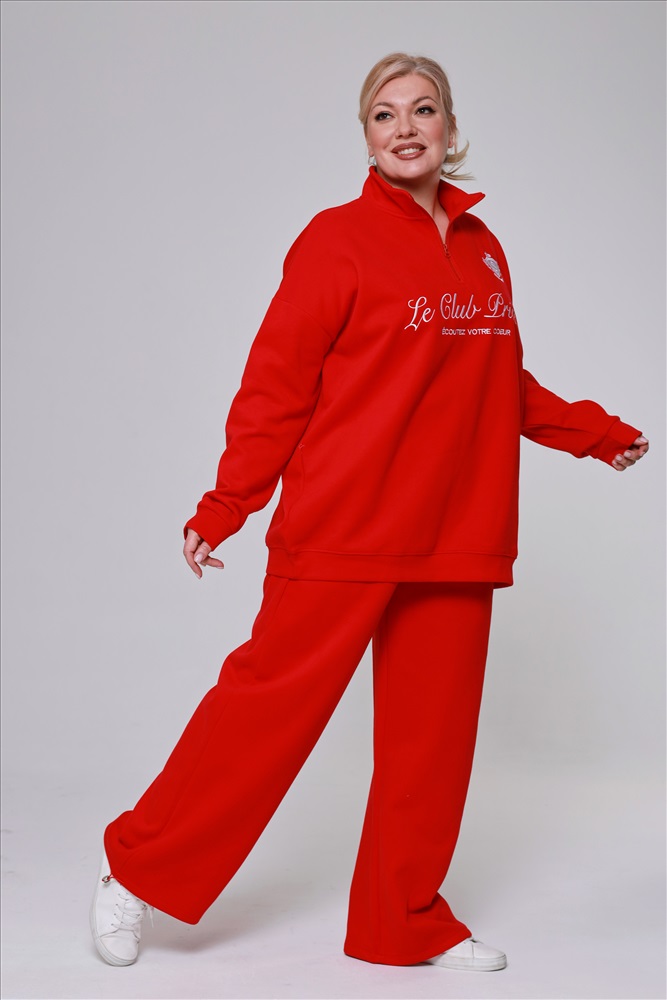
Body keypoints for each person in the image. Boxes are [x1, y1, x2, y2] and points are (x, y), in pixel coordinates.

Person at [89, 52, 649, 973]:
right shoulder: (334, 241)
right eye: (384, 114)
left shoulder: (483, 249)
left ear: (449, 128)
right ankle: (134, 873)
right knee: (263, 720)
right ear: (366, 136)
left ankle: (403, 919)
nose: (404, 128)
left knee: (431, 746)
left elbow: (494, 380)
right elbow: (276, 386)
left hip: (457, 530)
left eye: (422, 110)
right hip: (344, 523)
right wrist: (228, 502)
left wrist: (591, 434)